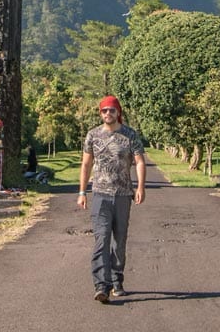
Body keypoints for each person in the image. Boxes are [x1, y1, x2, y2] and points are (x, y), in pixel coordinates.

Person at [77, 95, 146, 304]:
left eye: (112, 110)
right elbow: (86, 165)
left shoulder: (130, 135)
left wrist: (140, 187)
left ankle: (117, 280)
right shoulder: (93, 135)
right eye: (104, 110)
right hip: (100, 194)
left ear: (118, 113)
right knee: (101, 239)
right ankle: (101, 286)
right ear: (101, 113)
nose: (108, 114)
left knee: (119, 242)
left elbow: (140, 161)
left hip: (123, 195)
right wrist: (82, 192)